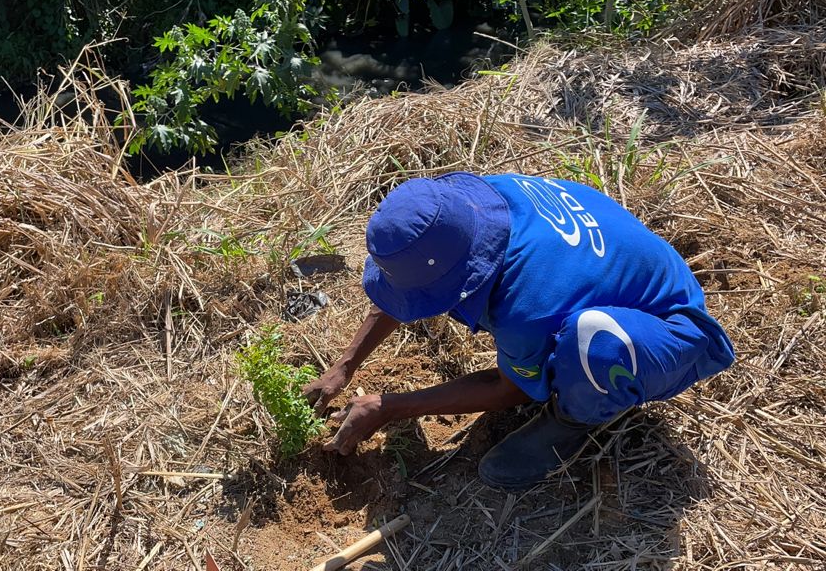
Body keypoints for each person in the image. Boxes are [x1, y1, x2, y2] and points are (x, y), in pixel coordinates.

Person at [302, 172, 734, 491]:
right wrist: (346, 365)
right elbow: (407, 289)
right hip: (619, 266)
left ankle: (571, 421)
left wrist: (389, 406)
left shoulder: (528, 305)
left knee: (595, 346)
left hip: (669, 330)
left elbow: (508, 389)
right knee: (573, 328)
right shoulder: (477, 207)